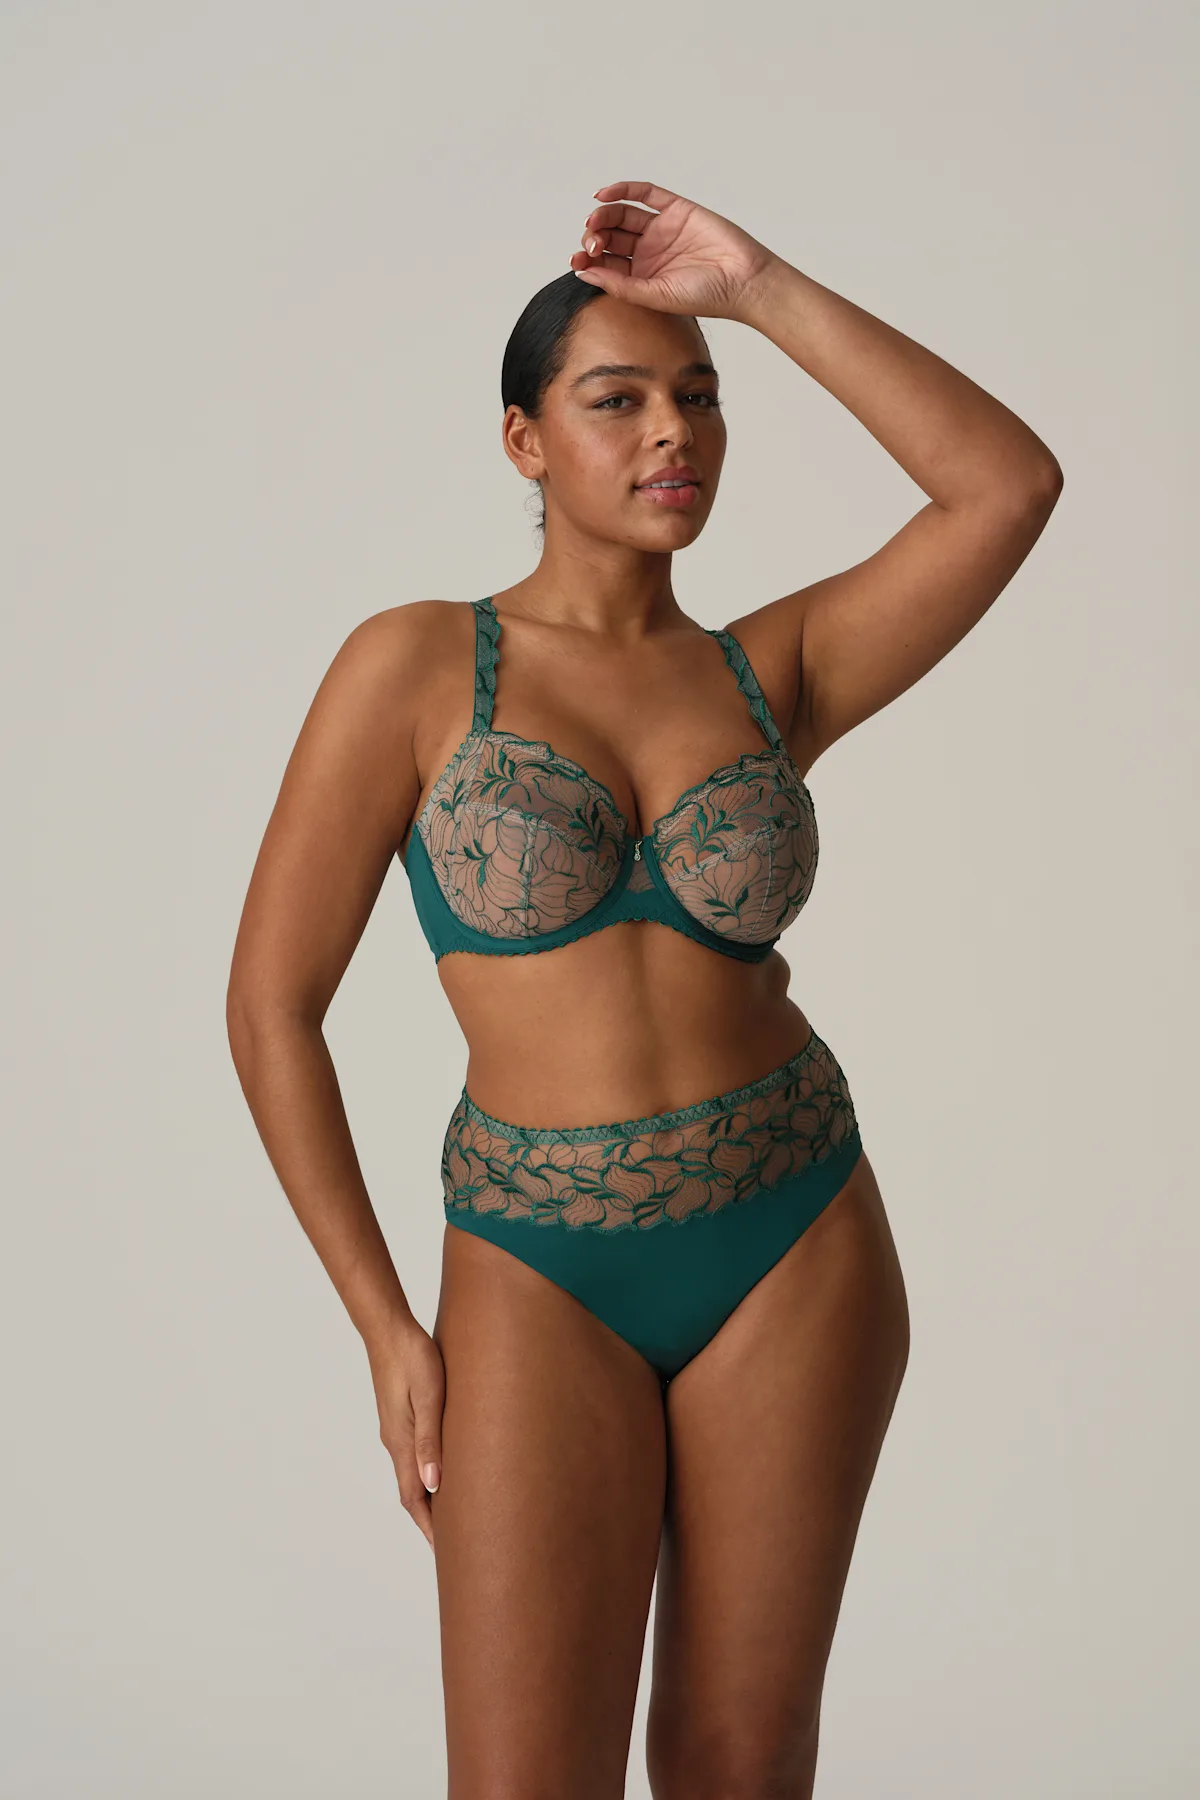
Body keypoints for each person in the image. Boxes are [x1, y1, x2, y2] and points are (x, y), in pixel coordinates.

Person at [226, 179, 1062, 1799]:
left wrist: (756, 286)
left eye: (699, 396)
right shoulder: (414, 666)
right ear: (524, 443)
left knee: (738, 1766)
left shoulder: (772, 671)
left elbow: (1006, 486)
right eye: (617, 400)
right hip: (536, 1261)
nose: (674, 430)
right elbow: (271, 1009)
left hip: (794, 1231)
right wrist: (384, 1324)